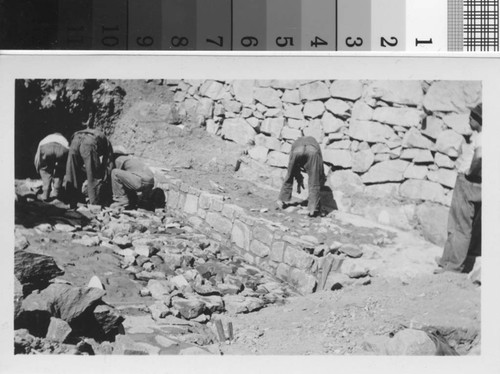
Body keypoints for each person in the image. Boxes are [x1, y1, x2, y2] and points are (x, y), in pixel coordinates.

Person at [436, 103, 482, 273]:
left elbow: (478, 156)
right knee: (464, 225)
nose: (468, 120)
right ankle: (447, 262)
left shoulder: (481, 137)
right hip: (478, 184)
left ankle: (452, 267)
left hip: (468, 182)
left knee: (459, 226)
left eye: (471, 117)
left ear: (479, 120)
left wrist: (470, 171)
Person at [64, 128, 114, 208]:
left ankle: (71, 202)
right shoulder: (106, 141)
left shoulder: (85, 131)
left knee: (71, 172)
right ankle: (94, 205)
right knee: (93, 175)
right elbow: (108, 163)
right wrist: (106, 177)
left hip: (75, 140)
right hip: (89, 142)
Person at [277, 136, 326, 217]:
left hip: (297, 150)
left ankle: (282, 200)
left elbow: (292, 167)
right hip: (312, 150)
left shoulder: (297, 142)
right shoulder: (314, 142)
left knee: (289, 175)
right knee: (314, 180)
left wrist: (297, 176)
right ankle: (312, 209)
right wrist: (320, 175)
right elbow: (319, 165)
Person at [33, 133, 69, 201]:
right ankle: (56, 192)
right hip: (63, 148)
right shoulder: (64, 139)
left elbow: (37, 158)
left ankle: (45, 194)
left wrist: (39, 168)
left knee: (45, 170)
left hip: (46, 147)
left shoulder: (45, 139)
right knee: (60, 169)